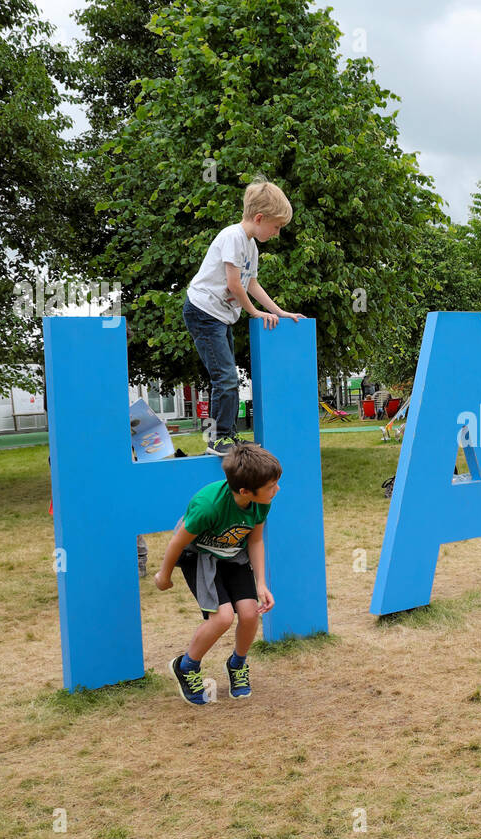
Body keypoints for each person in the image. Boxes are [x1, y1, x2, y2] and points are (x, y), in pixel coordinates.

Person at [154, 444, 281, 705]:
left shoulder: (261, 503)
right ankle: (186, 666)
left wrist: (261, 583)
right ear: (245, 491)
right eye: (271, 486)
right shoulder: (208, 507)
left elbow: (255, 541)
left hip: (233, 556)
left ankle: (237, 664)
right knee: (222, 618)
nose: (276, 490)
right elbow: (178, 542)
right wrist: (164, 576)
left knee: (248, 613)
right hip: (199, 557)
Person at [185, 180, 304, 456]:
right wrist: (253, 312)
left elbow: (252, 284)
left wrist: (279, 312)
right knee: (224, 377)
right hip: (203, 312)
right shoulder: (232, 237)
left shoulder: (251, 247)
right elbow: (234, 283)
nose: (276, 233)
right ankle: (217, 438)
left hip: (220, 317)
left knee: (231, 378)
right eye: (276, 227)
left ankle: (228, 434)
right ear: (259, 218)